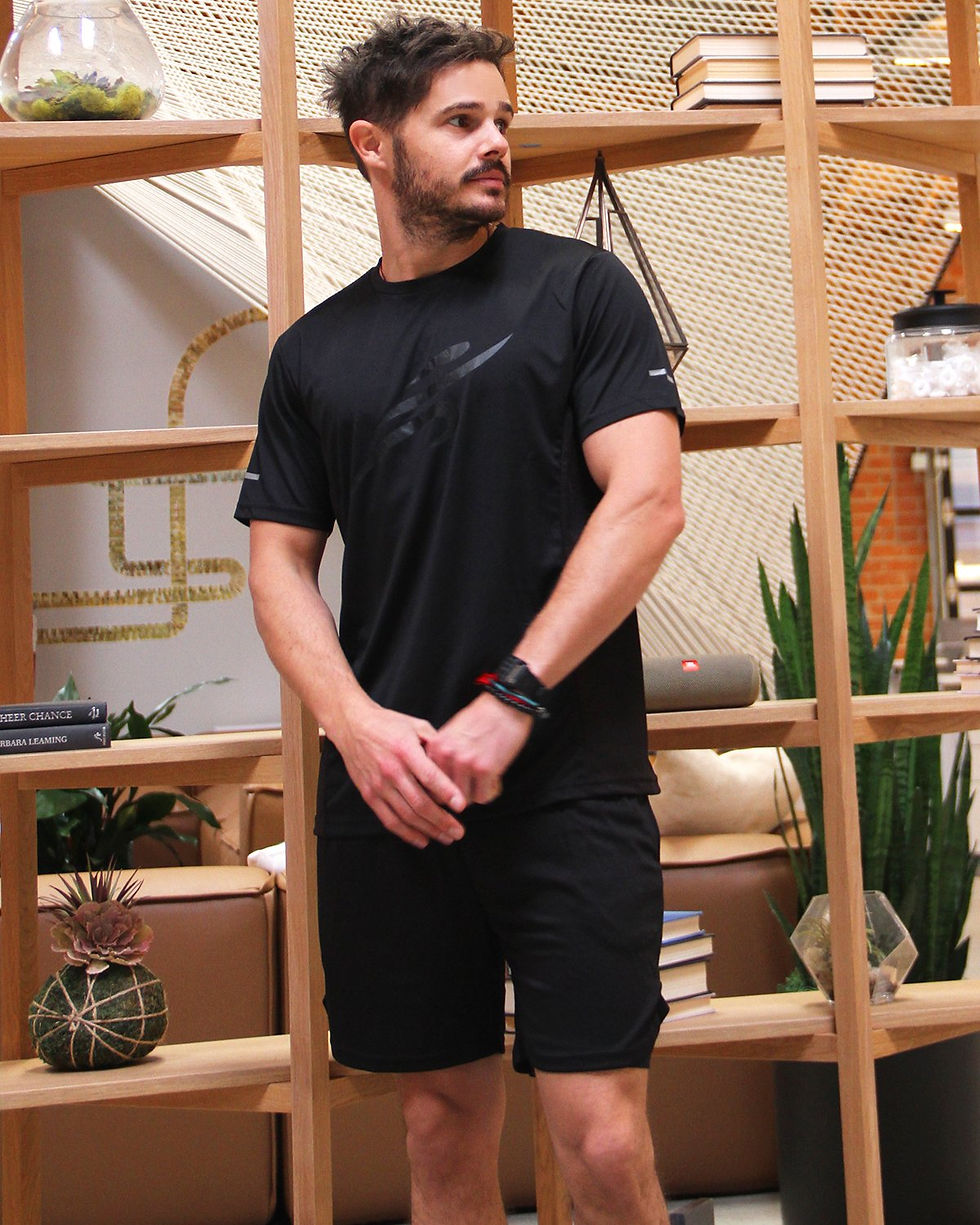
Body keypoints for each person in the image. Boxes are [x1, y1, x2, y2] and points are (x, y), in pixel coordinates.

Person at [235, 13, 685, 1225]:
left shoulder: (578, 290)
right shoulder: (312, 355)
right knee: (437, 1130)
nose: (495, 142)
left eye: (501, 119)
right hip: (391, 795)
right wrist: (354, 728)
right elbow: (277, 565)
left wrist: (512, 699)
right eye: (460, 121)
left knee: (600, 1140)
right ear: (373, 147)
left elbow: (647, 503)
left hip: (568, 781)